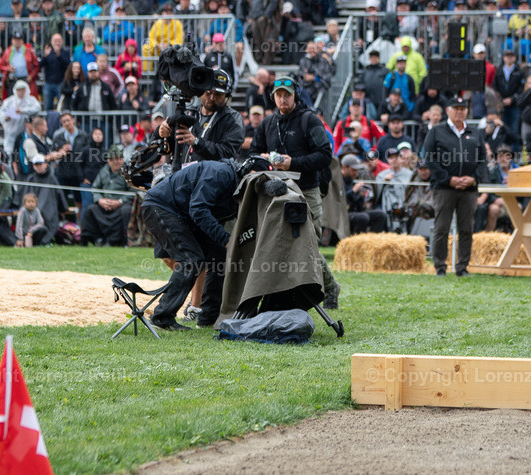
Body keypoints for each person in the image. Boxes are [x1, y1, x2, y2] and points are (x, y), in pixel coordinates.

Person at [249, 75, 340, 307]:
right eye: (278, 95)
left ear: (295, 96)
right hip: (276, 192)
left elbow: (324, 155)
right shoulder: (268, 123)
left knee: (308, 246)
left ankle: (330, 287)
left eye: (287, 95)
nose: (283, 99)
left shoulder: (309, 120)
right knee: (278, 244)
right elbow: (253, 154)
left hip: (307, 190)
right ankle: (286, 294)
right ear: (273, 97)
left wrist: (293, 163)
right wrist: (264, 159)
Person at [141, 160, 241, 330]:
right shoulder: (220, 173)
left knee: (219, 256)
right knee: (191, 260)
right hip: (161, 207)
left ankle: (209, 317)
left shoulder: (235, 184)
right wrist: (225, 239)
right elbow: (198, 209)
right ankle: (161, 318)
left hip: (183, 215)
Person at [422, 97, 489, 276]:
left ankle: (462, 267)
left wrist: (474, 179)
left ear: (467, 111)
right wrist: (447, 179)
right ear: (448, 111)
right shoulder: (436, 131)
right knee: (441, 228)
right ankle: (440, 267)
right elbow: (429, 158)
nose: (460, 111)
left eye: (463, 108)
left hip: (468, 189)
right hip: (444, 188)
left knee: (466, 228)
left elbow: (483, 159)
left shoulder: (475, 133)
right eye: (456, 108)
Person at [156, 69, 244, 166]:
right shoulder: (189, 114)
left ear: (226, 96)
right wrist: (163, 134)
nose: (212, 98)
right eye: (208, 92)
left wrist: (196, 142)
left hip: (213, 173)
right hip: (184, 173)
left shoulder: (232, 119)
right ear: (201, 91)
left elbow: (228, 153)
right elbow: (167, 146)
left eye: (218, 94)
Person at [80, 145, 132, 246]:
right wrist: (100, 200)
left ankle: (122, 241)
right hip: (104, 205)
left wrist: (120, 202)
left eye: (118, 158)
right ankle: (88, 240)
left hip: (120, 205)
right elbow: (95, 188)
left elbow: (133, 191)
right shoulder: (103, 171)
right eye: (112, 159)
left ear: (122, 159)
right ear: (108, 161)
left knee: (126, 211)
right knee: (91, 209)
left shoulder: (128, 172)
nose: (116, 161)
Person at [17, 155, 69, 245]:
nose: (39, 167)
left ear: (46, 165)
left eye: (40, 164)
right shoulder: (30, 179)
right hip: (31, 216)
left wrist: (64, 209)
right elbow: (24, 199)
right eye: (36, 165)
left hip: (50, 215)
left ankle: (43, 241)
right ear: (33, 166)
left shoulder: (52, 179)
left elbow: (59, 195)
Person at [340, 154, 388, 234]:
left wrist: (361, 197)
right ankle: (358, 241)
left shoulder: (352, 180)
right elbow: (340, 200)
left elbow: (359, 207)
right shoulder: (338, 181)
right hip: (342, 214)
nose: (356, 173)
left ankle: (372, 240)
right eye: (353, 170)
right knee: (363, 217)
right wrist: (353, 191)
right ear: (345, 167)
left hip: (355, 212)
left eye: (357, 170)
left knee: (380, 215)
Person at [0, 80, 42, 157]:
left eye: (22, 90)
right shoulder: (9, 101)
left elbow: (37, 108)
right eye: (19, 90)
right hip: (11, 131)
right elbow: (1, 112)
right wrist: (6, 117)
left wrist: (23, 111)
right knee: (9, 151)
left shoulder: (30, 100)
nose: (20, 93)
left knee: (24, 150)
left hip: (25, 131)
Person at [41, 33, 71, 111]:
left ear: (62, 42)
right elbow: (40, 66)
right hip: (48, 83)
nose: (57, 43)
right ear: (51, 42)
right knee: (47, 107)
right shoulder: (48, 52)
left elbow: (68, 66)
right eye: (55, 41)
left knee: (61, 107)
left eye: (59, 41)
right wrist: (45, 56)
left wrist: (59, 56)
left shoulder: (65, 53)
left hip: (61, 83)